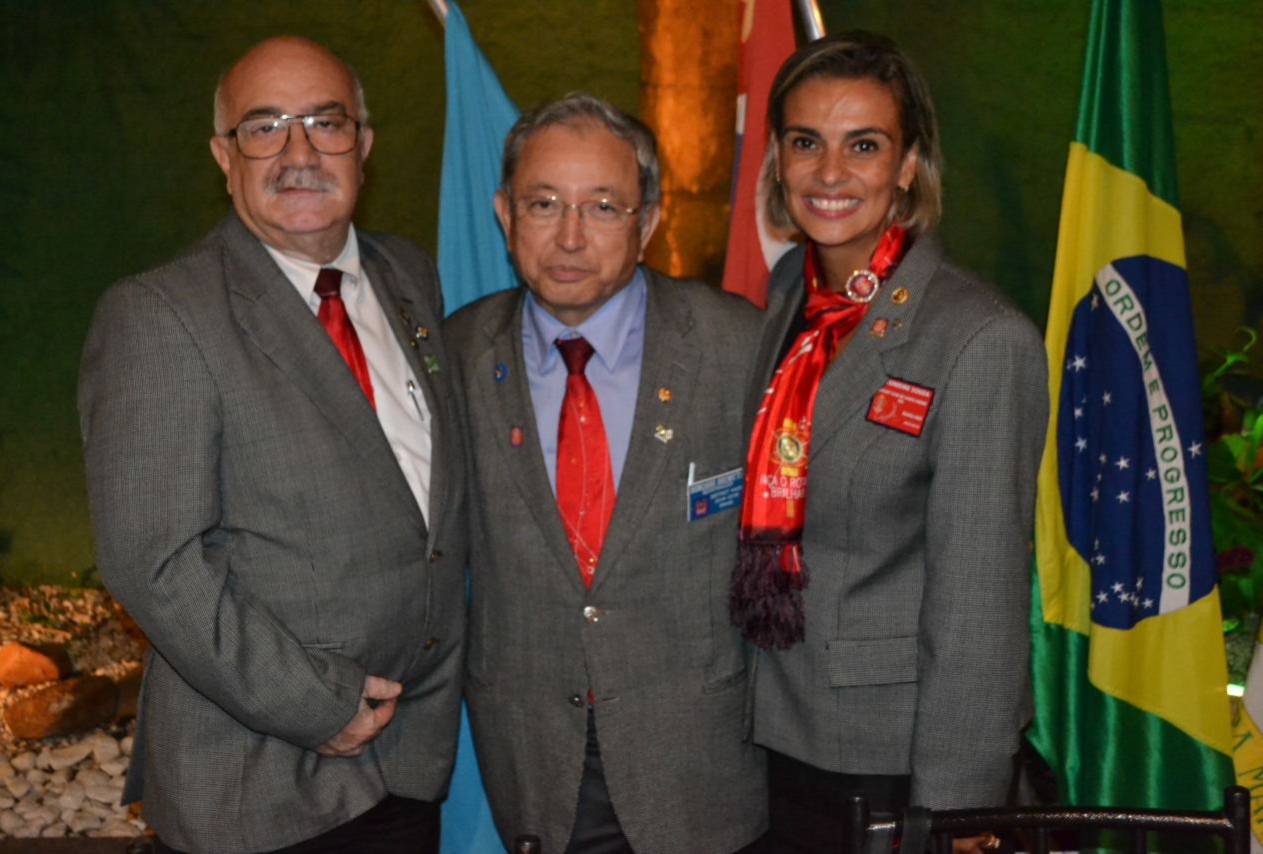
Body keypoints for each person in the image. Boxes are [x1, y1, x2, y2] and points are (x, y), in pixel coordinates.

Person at [78, 37, 465, 854]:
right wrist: (317, 707)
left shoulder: (408, 276)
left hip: (409, 764)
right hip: (257, 784)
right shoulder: (160, 316)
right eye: (264, 128)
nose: (298, 154)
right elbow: (155, 563)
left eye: (325, 123)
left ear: (362, 145)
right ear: (224, 158)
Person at [730, 31, 1049, 854]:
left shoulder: (979, 340)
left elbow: (978, 606)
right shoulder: (788, 293)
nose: (829, 173)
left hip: (895, 763)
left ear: (908, 165)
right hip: (772, 736)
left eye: (864, 146)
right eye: (806, 143)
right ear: (778, 159)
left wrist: (956, 810)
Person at [446, 94, 766, 854]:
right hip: (533, 757)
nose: (569, 236)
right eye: (543, 204)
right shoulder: (455, 355)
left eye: (602, 207)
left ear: (647, 222)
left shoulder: (738, 345)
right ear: (504, 213)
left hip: (707, 761)